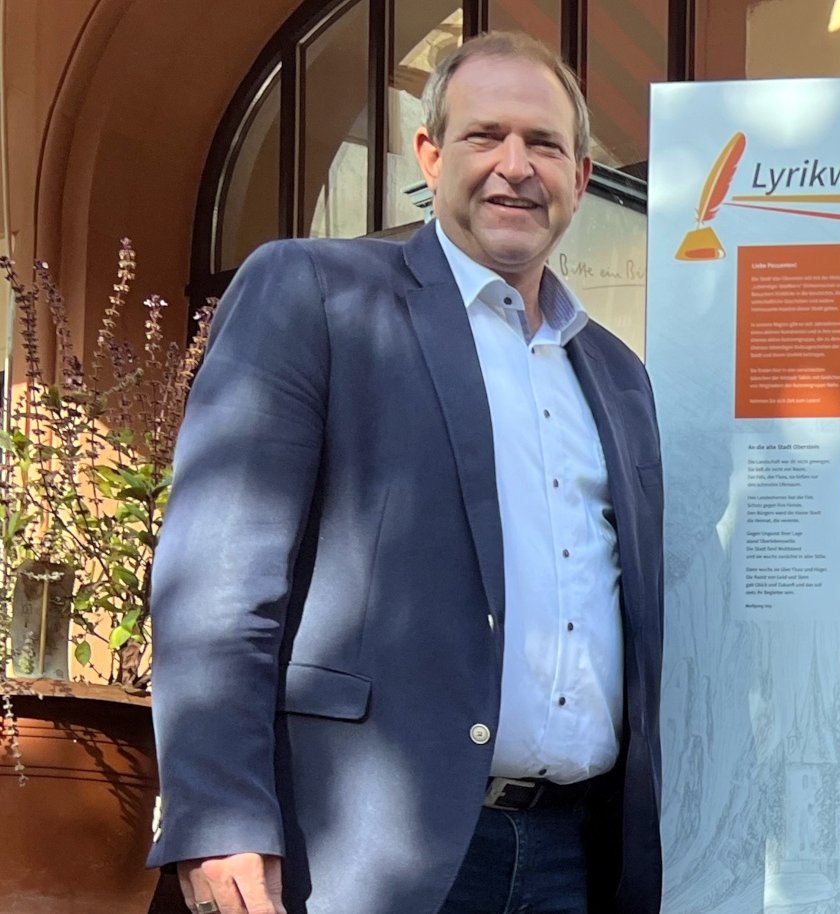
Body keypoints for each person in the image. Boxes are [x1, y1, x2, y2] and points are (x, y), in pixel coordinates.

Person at [145, 32, 664, 914]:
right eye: (484, 136)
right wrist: (220, 810)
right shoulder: (316, 294)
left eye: (544, 145)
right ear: (428, 155)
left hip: (571, 861)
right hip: (363, 855)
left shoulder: (617, 375)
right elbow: (218, 583)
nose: (515, 167)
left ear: (580, 178)